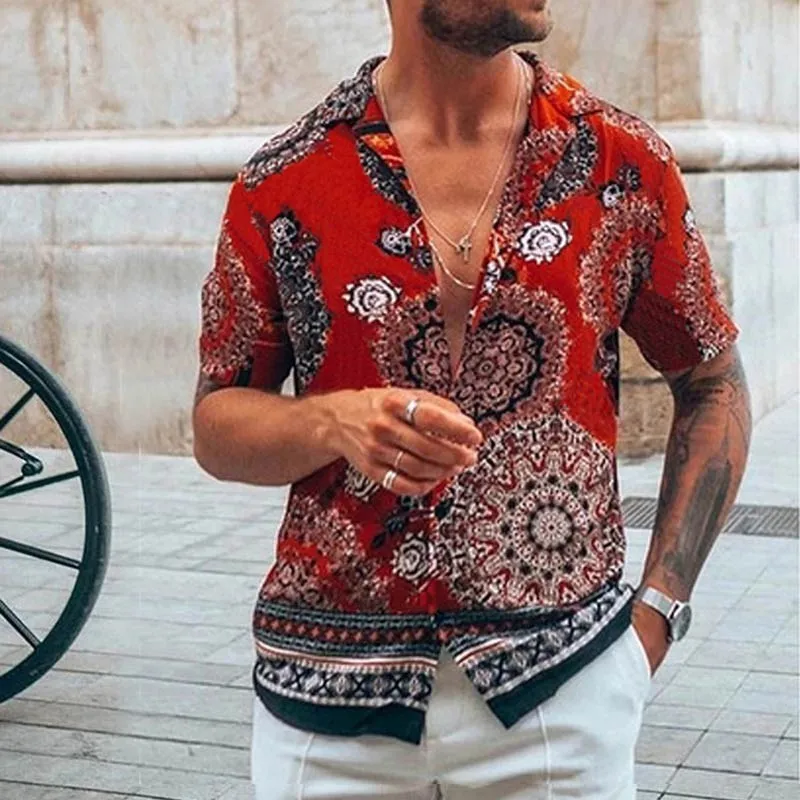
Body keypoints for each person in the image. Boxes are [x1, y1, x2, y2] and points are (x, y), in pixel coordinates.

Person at [192, 1, 752, 797]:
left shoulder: (620, 162)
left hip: (563, 695)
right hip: (327, 710)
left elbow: (713, 383)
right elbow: (217, 423)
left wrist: (655, 618)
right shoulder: (285, 180)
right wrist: (330, 420)